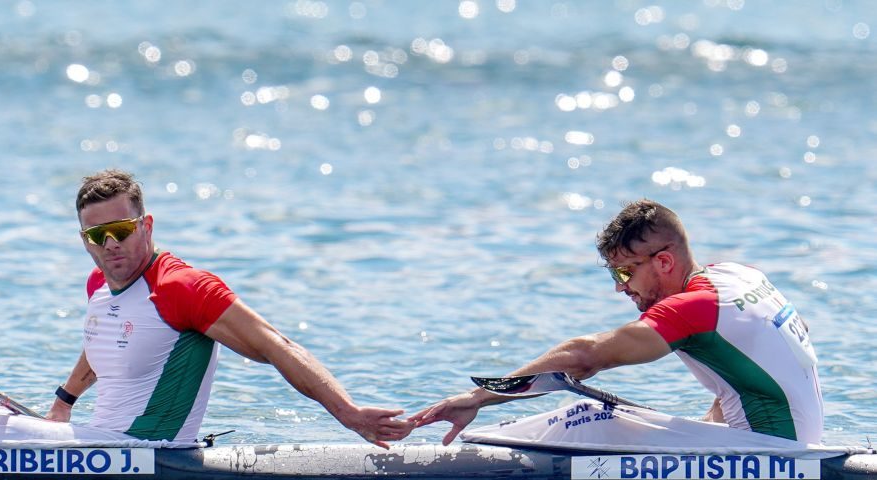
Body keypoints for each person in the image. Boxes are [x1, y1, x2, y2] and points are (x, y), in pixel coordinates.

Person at [46, 169, 411, 447]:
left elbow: (275, 345)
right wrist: (64, 402)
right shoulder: (98, 283)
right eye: (96, 235)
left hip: (154, 456)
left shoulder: (182, 287)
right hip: (99, 444)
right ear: (84, 240)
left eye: (121, 230)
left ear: (146, 226)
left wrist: (349, 414)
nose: (109, 244)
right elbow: (107, 340)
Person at [410, 199, 823, 445]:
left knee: (591, 419)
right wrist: (707, 428)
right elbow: (768, 350)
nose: (620, 288)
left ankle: (471, 451)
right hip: (790, 444)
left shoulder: (692, 308)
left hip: (767, 453)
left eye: (624, 273)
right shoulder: (740, 275)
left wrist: (477, 398)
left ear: (663, 261)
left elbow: (583, 357)